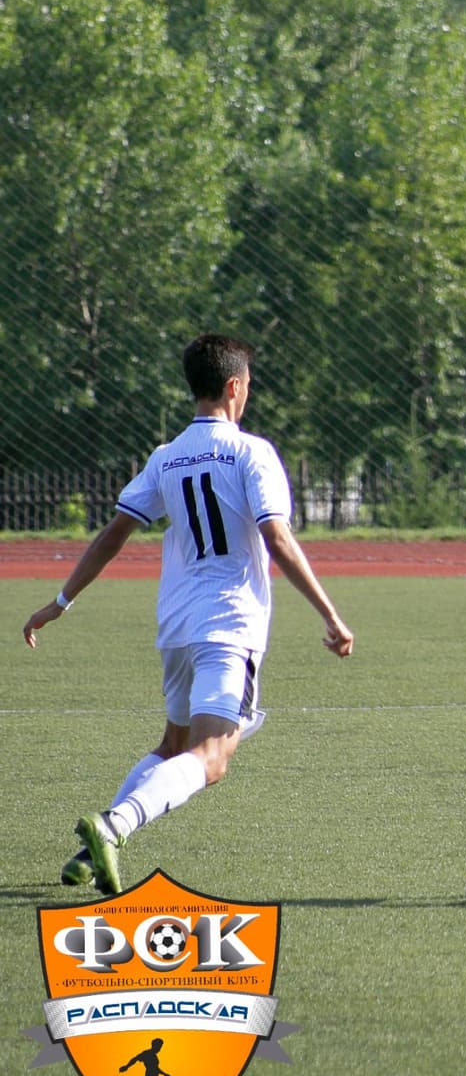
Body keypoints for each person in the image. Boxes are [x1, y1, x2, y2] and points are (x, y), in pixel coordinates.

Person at [21, 334, 355, 897]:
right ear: (233, 386)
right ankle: (113, 825)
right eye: (247, 384)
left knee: (174, 745)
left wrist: (60, 602)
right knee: (213, 756)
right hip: (229, 624)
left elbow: (113, 535)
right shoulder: (252, 452)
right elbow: (276, 536)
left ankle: (90, 851)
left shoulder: (166, 456)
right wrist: (331, 614)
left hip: (176, 626)